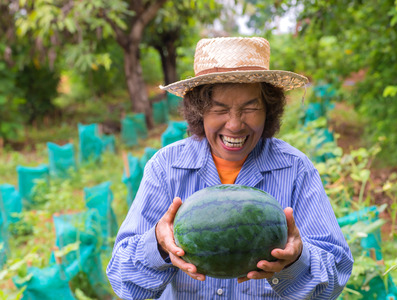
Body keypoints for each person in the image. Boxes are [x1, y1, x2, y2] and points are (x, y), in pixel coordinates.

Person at [107, 37, 353, 299]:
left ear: (268, 110)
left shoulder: (296, 169)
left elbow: (335, 277)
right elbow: (124, 283)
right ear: (199, 111)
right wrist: (158, 244)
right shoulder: (166, 167)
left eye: (250, 107)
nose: (235, 125)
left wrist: (296, 260)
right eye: (219, 109)